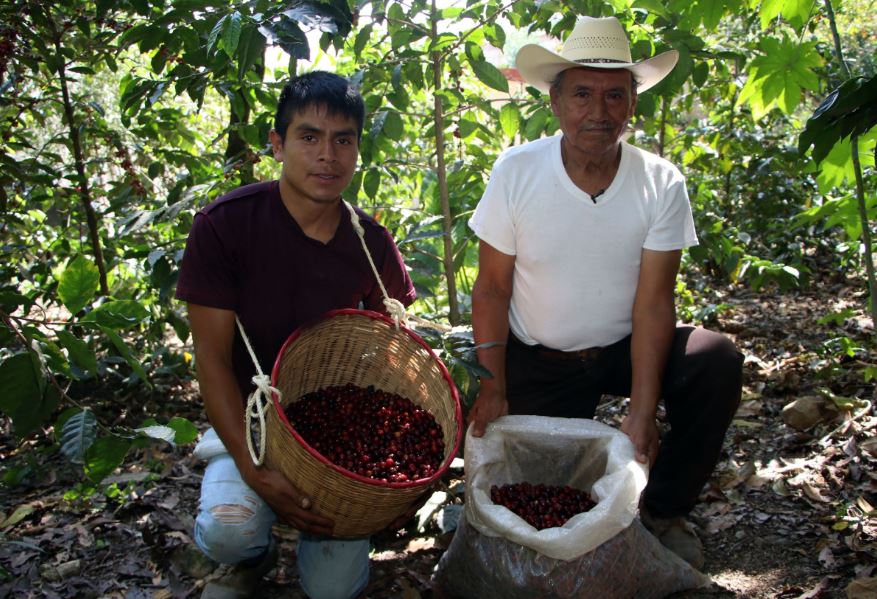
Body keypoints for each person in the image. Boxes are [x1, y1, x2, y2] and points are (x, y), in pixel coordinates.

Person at [467, 16, 744, 569]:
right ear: (555, 102)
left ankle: (663, 511)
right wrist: (493, 382)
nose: (599, 112)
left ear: (632, 105)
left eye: (615, 95)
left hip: (622, 345)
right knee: (539, 503)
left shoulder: (660, 182)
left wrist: (642, 410)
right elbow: (493, 288)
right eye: (583, 95)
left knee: (714, 360)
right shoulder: (517, 171)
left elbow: (653, 302)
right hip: (538, 355)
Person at [175, 71, 417, 599]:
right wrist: (254, 469)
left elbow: (395, 353)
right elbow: (212, 362)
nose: (327, 155)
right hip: (251, 422)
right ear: (277, 144)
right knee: (229, 530)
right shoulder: (225, 226)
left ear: (356, 149)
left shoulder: (370, 244)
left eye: (343, 140)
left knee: (333, 589)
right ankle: (248, 555)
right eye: (309, 137)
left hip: (331, 440)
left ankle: (315, 536)